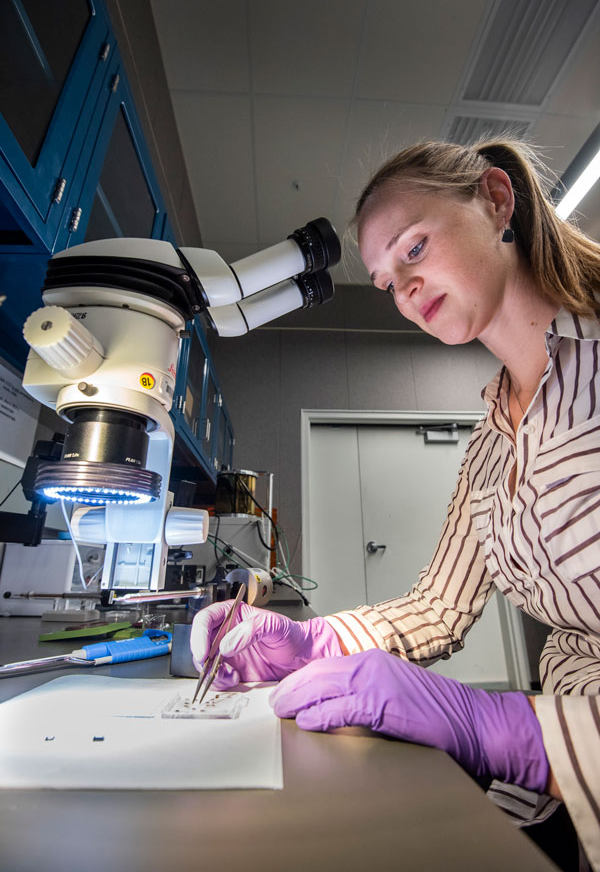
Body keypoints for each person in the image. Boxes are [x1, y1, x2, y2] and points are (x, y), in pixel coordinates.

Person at [191, 138, 600, 870]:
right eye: (385, 282)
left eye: (415, 246)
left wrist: (515, 731)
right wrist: (309, 642)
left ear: (497, 201)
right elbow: (437, 608)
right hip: (574, 803)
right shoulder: (488, 449)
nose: (405, 287)